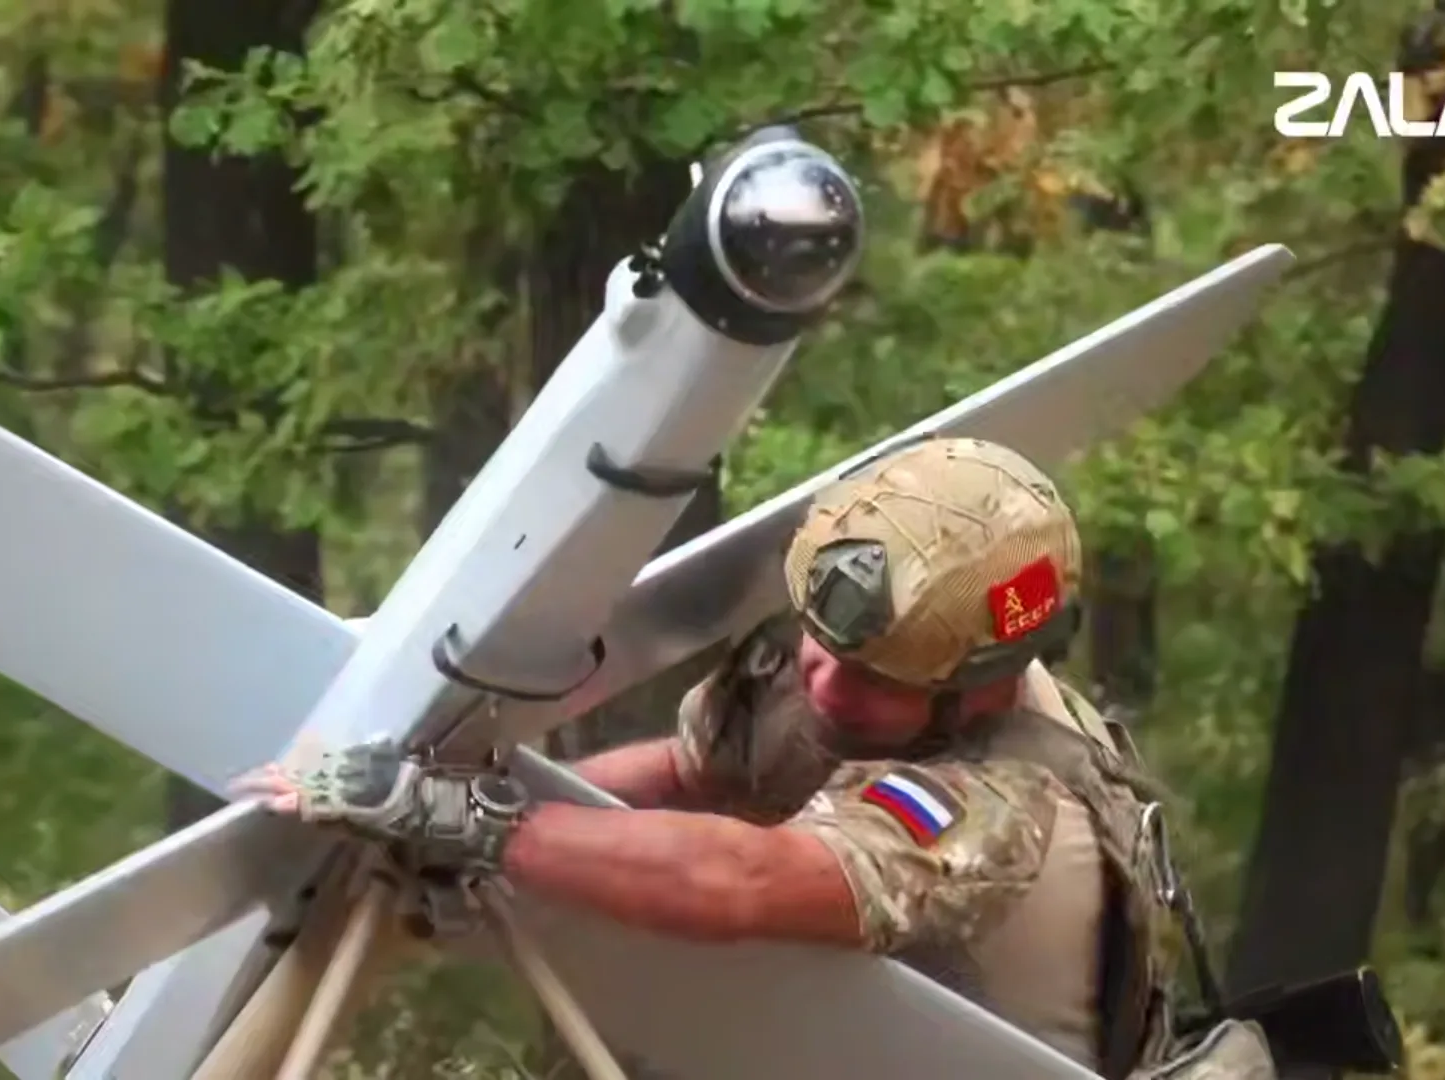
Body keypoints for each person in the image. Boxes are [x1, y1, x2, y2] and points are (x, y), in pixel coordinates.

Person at [237, 436, 1187, 1077]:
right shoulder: (873, 646)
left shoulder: (1004, 808)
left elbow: (748, 879)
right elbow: (690, 775)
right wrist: (466, 799)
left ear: (982, 685)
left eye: (870, 678)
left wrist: (463, 821)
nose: (823, 684)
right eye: (818, 643)